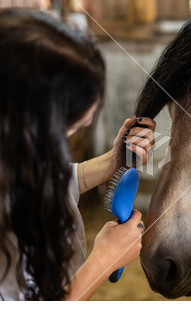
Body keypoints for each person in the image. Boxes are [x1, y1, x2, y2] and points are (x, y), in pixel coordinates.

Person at [0, 8, 155, 300]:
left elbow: (54, 178)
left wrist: (113, 161)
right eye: (66, 132)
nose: (66, 143)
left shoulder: (17, 159)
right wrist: (102, 261)